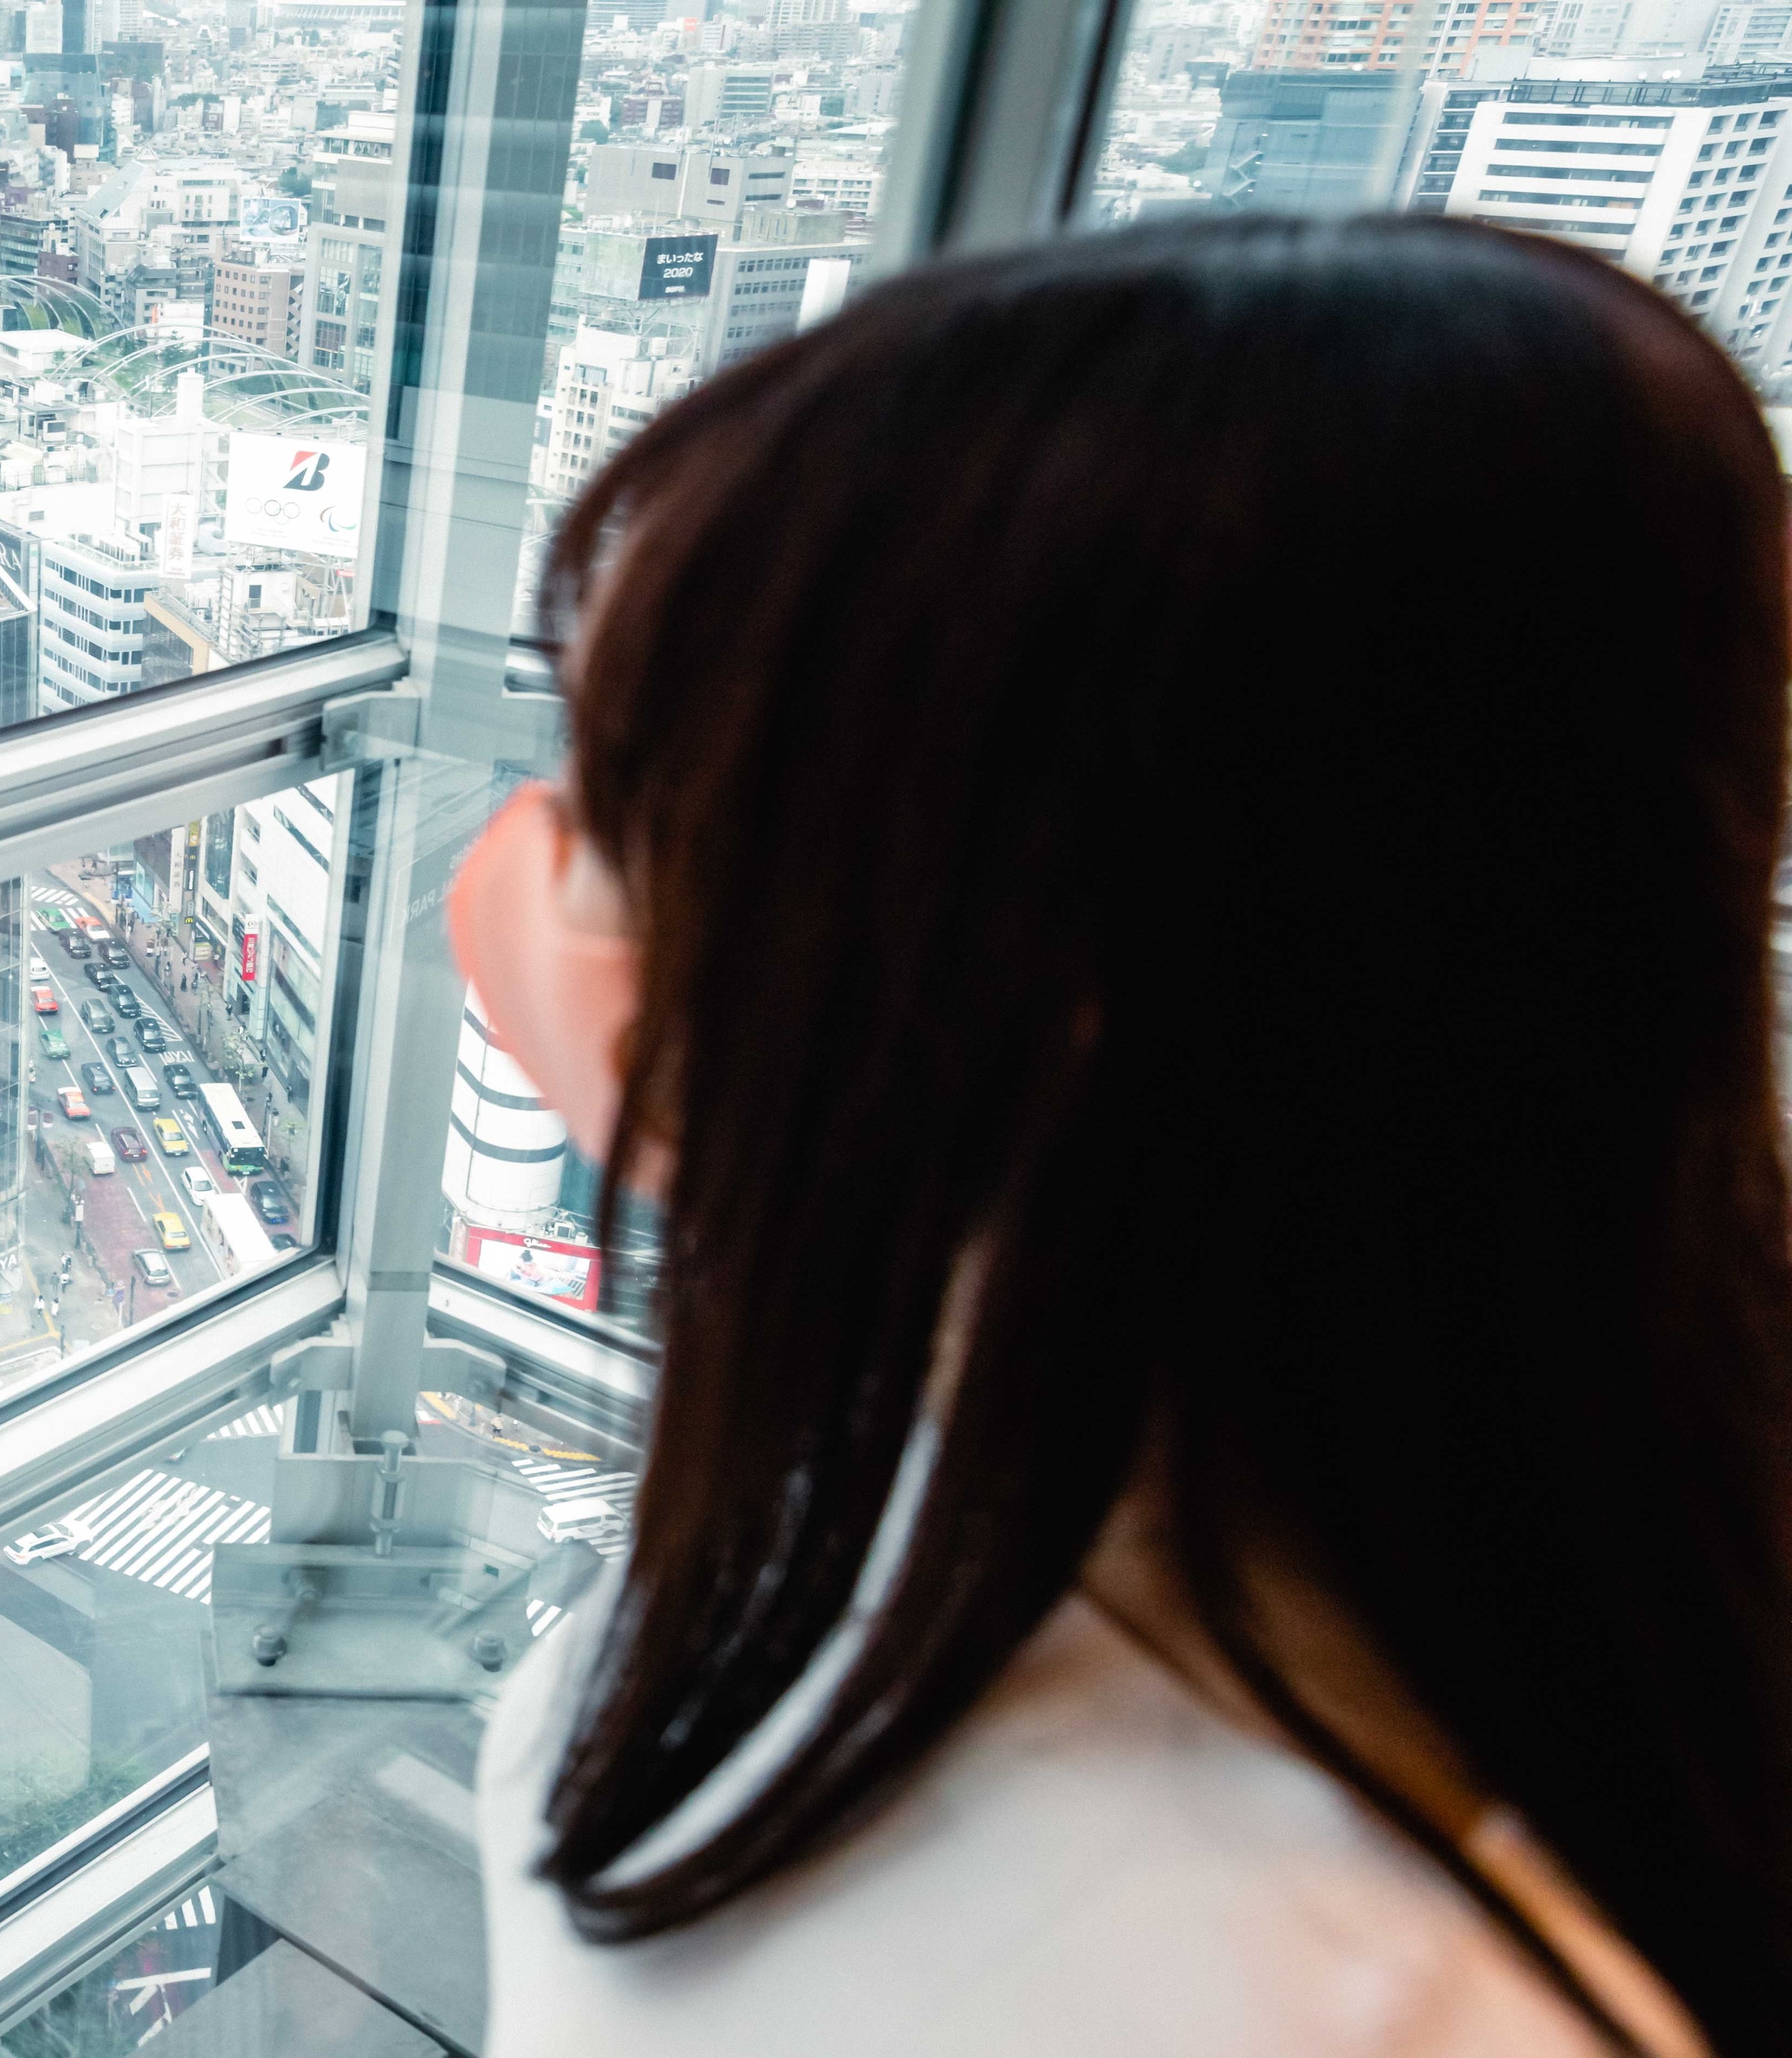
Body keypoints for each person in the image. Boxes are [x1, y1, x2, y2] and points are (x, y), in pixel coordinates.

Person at [449, 216, 1788, 2053]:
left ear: (1030, 981)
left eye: (632, 799)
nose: (541, 866)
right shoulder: (1542, 1584)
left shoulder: (1221, 1970)